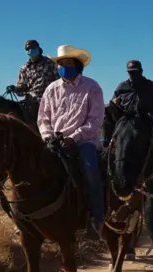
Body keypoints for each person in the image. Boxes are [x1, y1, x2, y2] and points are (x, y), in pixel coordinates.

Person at [37, 44, 105, 241]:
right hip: (54, 141)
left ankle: (96, 218)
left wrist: (73, 138)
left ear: (77, 65)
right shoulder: (51, 89)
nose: (63, 67)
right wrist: (48, 136)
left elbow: (95, 120)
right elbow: (43, 117)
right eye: (60, 64)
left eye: (67, 63)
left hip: (83, 141)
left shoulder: (92, 87)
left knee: (90, 168)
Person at [101, 60, 153, 147]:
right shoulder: (121, 87)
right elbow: (113, 106)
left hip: (145, 124)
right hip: (124, 124)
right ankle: (105, 149)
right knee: (106, 120)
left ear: (141, 71)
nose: (133, 76)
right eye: (130, 73)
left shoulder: (151, 86)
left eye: (135, 72)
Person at [7, 40, 59, 126]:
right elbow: (21, 90)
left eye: (33, 48)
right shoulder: (24, 68)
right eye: (28, 49)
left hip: (50, 102)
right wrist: (14, 89)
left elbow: (58, 82)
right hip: (31, 104)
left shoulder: (50, 63)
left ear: (38, 49)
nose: (30, 50)